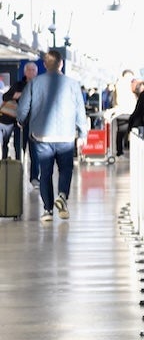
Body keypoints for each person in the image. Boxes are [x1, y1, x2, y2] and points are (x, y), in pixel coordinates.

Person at [17, 48, 89, 221]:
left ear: (44, 65)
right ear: (61, 64)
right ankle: (62, 195)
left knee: (45, 173)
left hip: (42, 136)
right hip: (66, 136)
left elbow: (23, 107)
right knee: (65, 169)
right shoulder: (72, 84)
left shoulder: (34, 83)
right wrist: (83, 134)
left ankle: (47, 210)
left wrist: (21, 120)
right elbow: (80, 110)